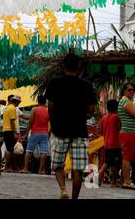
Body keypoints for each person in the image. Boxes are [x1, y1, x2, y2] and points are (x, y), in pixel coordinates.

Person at [45, 53, 96, 199]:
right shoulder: (86, 85)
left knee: (57, 165)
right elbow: (91, 111)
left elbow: (51, 106)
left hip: (59, 130)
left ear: (63, 66)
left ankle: (63, 190)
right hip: (79, 131)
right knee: (78, 169)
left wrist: (53, 125)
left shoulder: (55, 83)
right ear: (78, 67)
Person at [118, 82, 135, 190]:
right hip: (129, 133)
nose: (132, 92)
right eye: (129, 90)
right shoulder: (125, 101)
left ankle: (126, 181)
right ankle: (127, 182)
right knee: (127, 158)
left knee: (127, 157)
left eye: (133, 90)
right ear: (124, 91)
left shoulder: (127, 101)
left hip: (129, 133)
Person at [21, 95, 49, 174]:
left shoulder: (34, 109)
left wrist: (26, 133)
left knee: (29, 150)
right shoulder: (48, 110)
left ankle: (26, 168)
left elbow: (30, 122)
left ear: (38, 101)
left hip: (35, 132)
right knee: (44, 152)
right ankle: (40, 170)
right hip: (45, 133)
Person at [98, 99, 121, 187]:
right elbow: (119, 128)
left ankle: (112, 181)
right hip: (115, 143)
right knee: (113, 163)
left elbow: (101, 130)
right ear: (116, 108)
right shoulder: (116, 117)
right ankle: (103, 175)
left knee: (109, 161)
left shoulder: (103, 118)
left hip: (106, 143)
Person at [2, 95, 22, 173]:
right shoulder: (13, 108)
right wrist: (15, 133)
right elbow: (12, 122)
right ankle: (7, 167)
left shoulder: (6, 108)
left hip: (5, 130)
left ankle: (13, 167)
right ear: (16, 102)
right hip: (10, 131)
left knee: (10, 149)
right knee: (10, 150)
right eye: (19, 102)